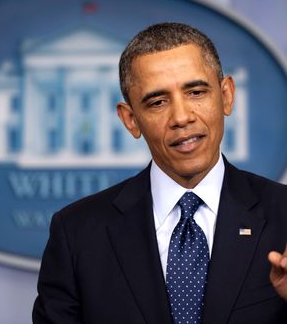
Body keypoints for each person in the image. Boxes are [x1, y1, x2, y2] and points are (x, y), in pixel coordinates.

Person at [32, 22, 287, 324]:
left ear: (227, 96)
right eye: (158, 102)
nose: (181, 117)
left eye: (195, 92)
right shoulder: (76, 233)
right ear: (130, 120)